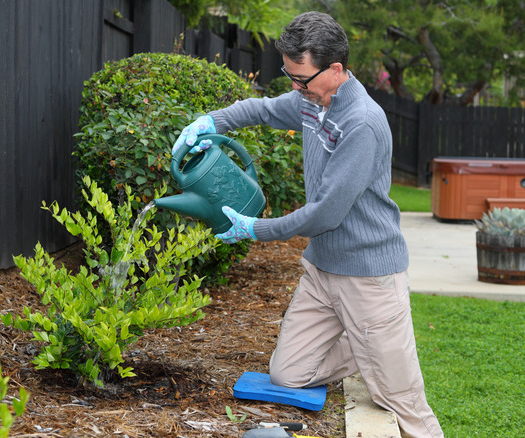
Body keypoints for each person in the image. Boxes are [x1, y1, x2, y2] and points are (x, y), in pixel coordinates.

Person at [172, 11, 444, 438]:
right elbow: (261, 109)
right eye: (289, 76)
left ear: (335, 69)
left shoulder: (362, 124)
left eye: (301, 78)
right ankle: (367, 345)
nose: (294, 87)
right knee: (289, 374)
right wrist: (212, 121)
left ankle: (375, 345)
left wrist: (254, 229)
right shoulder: (311, 101)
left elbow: (324, 214)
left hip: (368, 275)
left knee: (402, 403)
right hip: (322, 270)